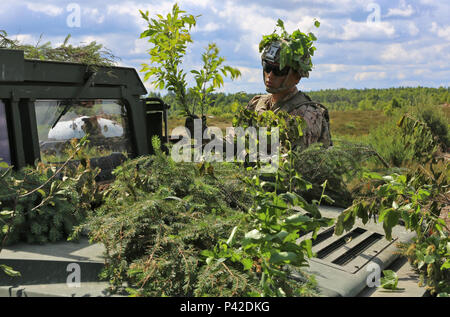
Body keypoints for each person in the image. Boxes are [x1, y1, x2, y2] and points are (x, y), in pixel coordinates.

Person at [247, 39, 332, 150]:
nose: (270, 75)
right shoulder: (257, 103)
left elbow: (294, 162)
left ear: (296, 76)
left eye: (279, 70)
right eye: (267, 67)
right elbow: (235, 140)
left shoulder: (306, 115)